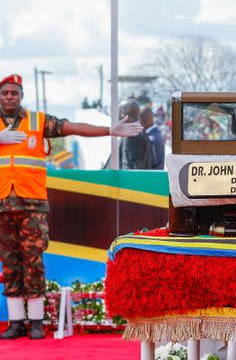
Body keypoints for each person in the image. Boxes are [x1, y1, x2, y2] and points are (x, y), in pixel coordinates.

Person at [0, 74, 142, 340]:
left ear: (21, 95)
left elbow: (73, 127)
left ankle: (36, 322)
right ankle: (16, 322)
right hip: (2, 205)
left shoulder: (37, 121)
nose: (9, 97)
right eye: (5, 93)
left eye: (14, 93)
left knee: (33, 262)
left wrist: (110, 130)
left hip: (32, 204)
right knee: (9, 264)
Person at [118, 99, 153, 170]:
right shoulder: (138, 132)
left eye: (119, 112)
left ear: (123, 114)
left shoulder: (132, 134)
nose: (117, 116)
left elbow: (128, 168)